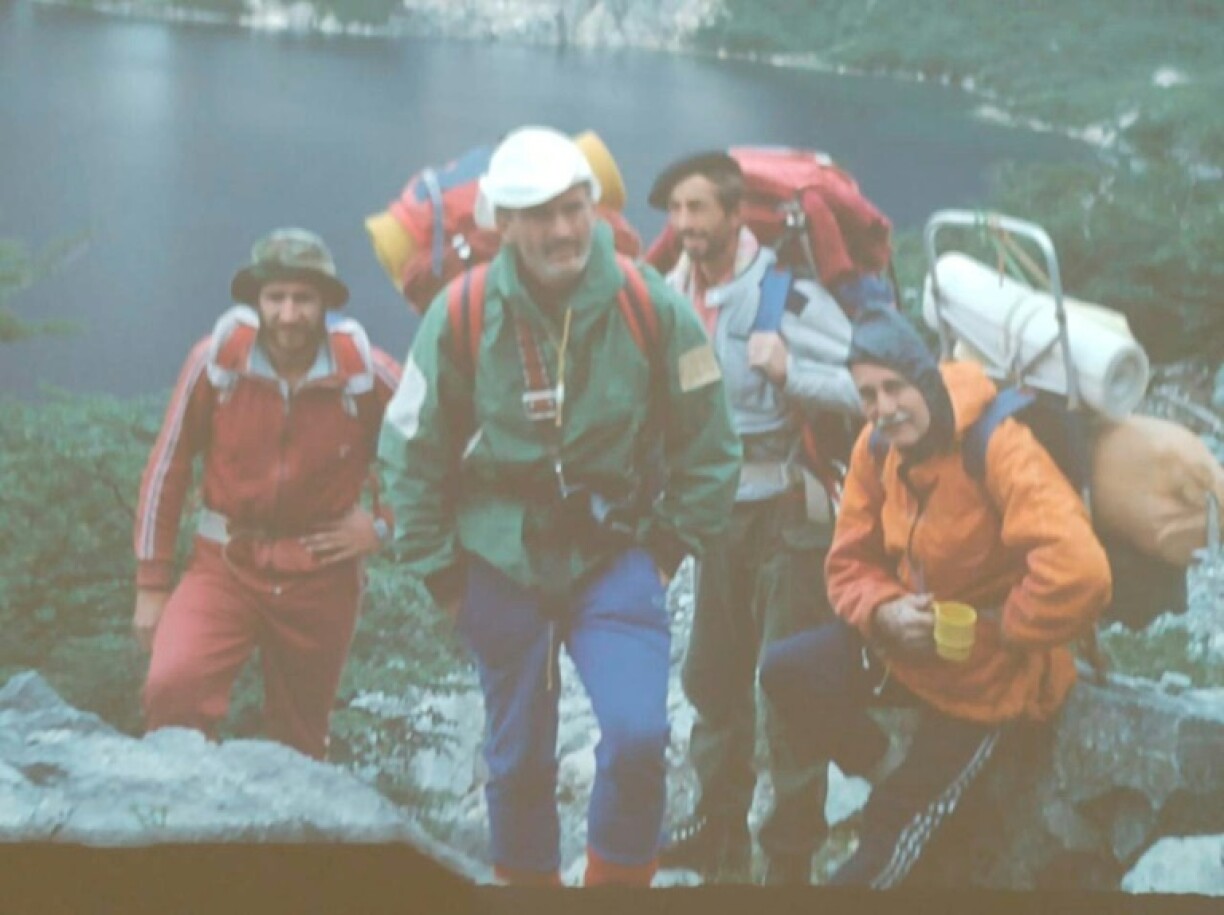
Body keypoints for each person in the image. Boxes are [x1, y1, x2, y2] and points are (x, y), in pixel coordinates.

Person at [377, 127, 741, 887]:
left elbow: (710, 440)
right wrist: (443, 575)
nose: (564, 229)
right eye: (539, 215)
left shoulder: (650, 303)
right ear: (501, 225)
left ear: (594, 210)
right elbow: (410, 447)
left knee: (640, 735)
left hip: (616, 553)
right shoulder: (463, 312)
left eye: (575, 208)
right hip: (498, 557)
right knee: (517, 755)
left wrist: (669, 548)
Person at [759, 306, 1112, 886]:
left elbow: (1081, 570)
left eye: (894, 387)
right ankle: (895, 769)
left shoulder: (998, 447)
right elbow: (848, 561)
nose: (883, 408)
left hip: (987, 680)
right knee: (787, 672)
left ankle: (912, 802)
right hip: (912, 650)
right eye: (867, 394)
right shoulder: (878, 449)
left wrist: (1004, 631)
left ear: (924, 378)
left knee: (888, 826)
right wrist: (883, 611)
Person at [647, 151, 863, 885]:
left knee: (786, 690)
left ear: (736, 214)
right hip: (714, 518)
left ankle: (790, 864)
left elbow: (882, 386)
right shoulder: (668, 295)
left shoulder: (785, 296)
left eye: (699, 209)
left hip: (788, 521)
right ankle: (718, 840)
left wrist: (788, 372)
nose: (684, 226)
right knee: (712, 680)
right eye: (675, 211)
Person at [132, 228, 401, 761]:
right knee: (173, 687)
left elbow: (436, 456)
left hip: (320, 574)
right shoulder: (217, 364)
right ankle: (179, 821)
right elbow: (168, 467)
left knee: (300, 738)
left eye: (303, 298)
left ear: (325, 303)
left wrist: (381, 526)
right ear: (257, 301)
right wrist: (151, 582)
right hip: (225, 562)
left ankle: (284, 838)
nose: (288, 314)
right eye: (275, 297)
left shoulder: (366, 374)